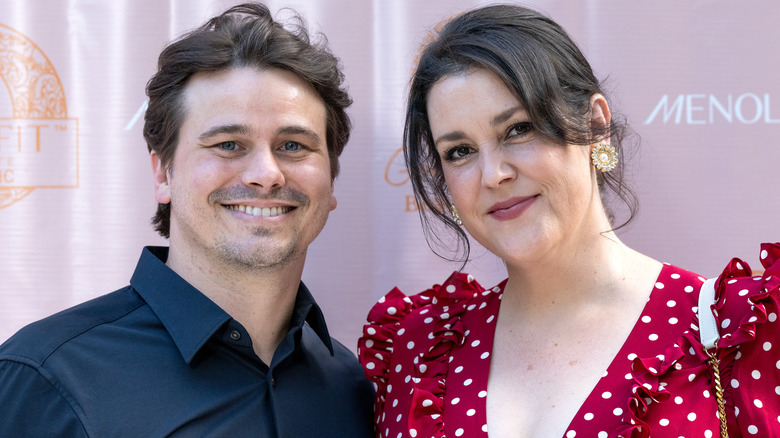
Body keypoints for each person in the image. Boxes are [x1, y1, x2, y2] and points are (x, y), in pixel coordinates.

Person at [358, 4, 780, 438]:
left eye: (518, 129)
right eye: (460, 151)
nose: (493, 174)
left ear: (595, 125)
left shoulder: (738, 330)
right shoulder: (417, 349)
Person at [0, 3, 374, 436]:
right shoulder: (43, 380)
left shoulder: (350, 384)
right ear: (163, 174)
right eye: (229, 144)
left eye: (293, 146)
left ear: (331, 180)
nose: (267, 174)